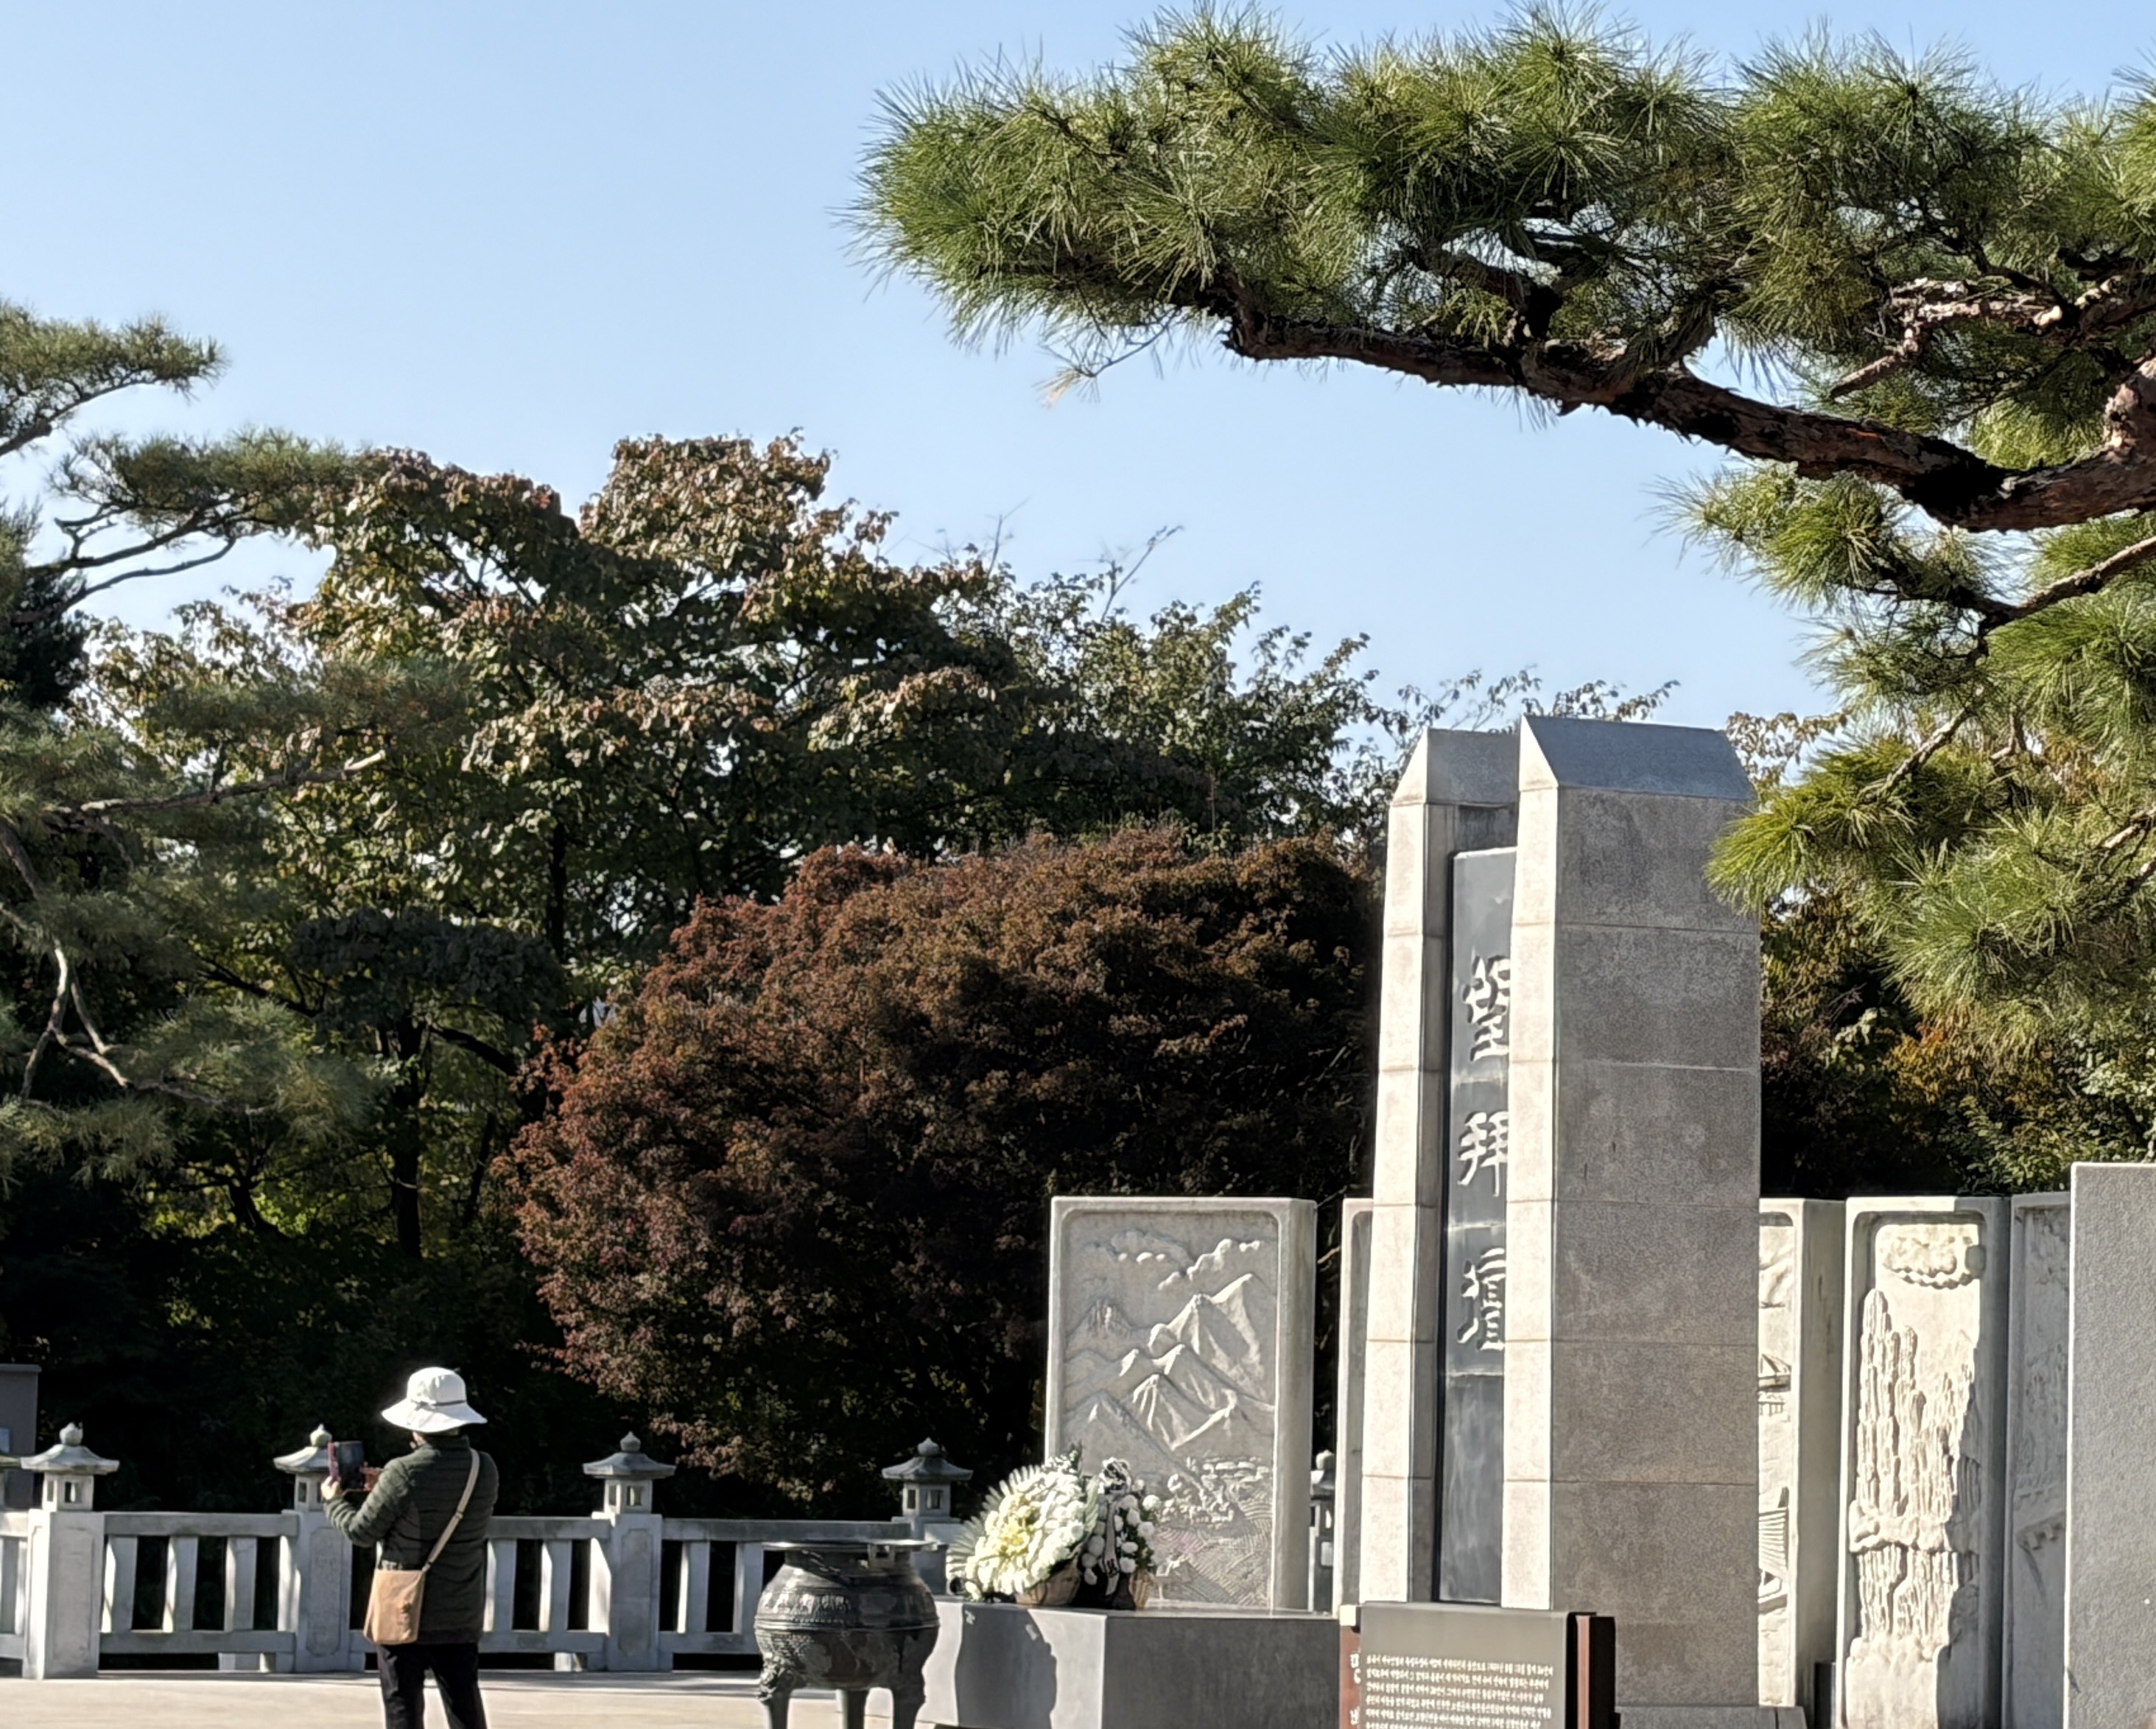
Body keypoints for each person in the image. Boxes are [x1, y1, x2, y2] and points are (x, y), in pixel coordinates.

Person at [326, 1366, 501, 1729]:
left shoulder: (403, 1471)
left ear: (417, 1420)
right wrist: (390, 1487)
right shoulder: (484, 1468)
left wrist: (333, 1501)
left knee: (403, 1706)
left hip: (405, 1609)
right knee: (465, 1707)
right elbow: (440, 1504)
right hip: (460, 1610)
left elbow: (361, 1532)